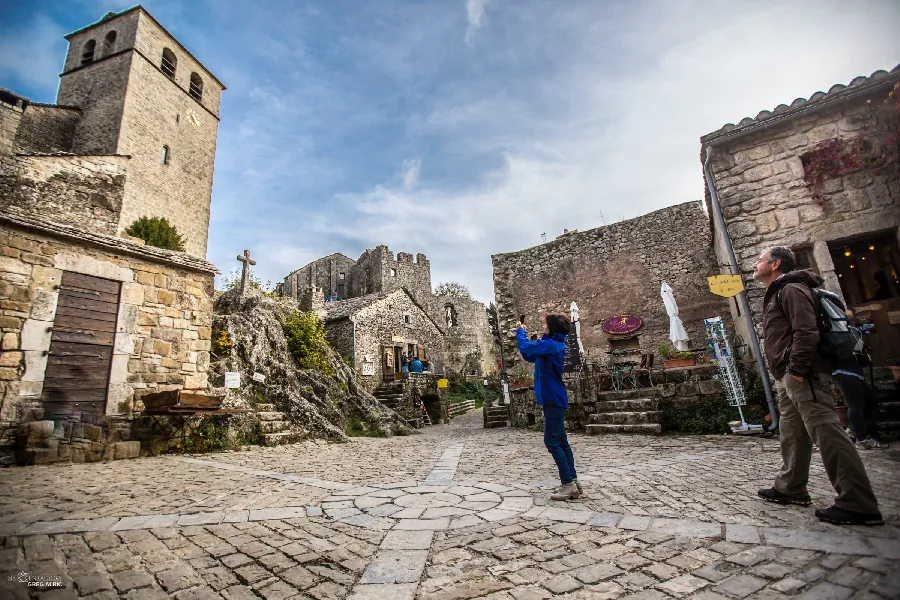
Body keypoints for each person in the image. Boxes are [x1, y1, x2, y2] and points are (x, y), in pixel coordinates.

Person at [753, 246, 882, 526]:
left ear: (775, 265)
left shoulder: (792, 289)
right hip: (787, 376)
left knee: (826, 431)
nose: (755, 263)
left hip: (803, 375)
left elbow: (806, 331)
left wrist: (796, 370)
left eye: (760, 260)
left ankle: (857, 502)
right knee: (792, 431)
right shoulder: (779, 290)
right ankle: (791, 487)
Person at [516, 314, 581, 501]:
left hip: (553, 398)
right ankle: (573, 481)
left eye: (545, 324)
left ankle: (568, 484)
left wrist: (520, 331)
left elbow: (526, 346)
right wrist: (525, 337)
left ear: (552, 328)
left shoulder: (551, 345)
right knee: (561, 441)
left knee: (551, 441)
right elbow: (529, 354)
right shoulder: (550, 344)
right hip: (554, 398)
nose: (543, 326)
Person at [833, 311, 886, 450]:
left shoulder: (851, 331)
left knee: (869, 400)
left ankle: (852, 429)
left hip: (854, 370)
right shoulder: (837, 333)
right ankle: (862, 439)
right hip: (844, 371)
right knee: (855, 404)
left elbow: (858, 348)